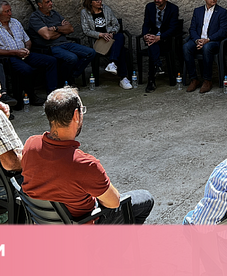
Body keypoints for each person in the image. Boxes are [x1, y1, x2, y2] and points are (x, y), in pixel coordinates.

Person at [21, 88, 154, 224]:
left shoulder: (30, 144)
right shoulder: (85, 164)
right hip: (83, 229)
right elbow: (114, 202)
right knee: (146, 199)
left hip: (44, 225)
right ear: (76, 115)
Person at [0, 0, 57, 109]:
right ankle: (31, 96)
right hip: (8, 57)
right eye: (6, 11)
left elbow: (27, 40)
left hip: (23, 53)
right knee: (26, 70)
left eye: (10, 10)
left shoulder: (15, 22)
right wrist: (15, 52)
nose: (10, 13)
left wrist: (27, 49)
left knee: (51, 61)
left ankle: (52, 94)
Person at [28, 0, 96, 85]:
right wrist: (62, 30)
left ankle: (70, 76)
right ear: (40, 4)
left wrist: (55, 29)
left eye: (51, 1)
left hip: (65, 43)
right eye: (47, 2)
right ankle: (65, 80)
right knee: (72, 58)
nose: (51, 4)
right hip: (50, 47)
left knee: (91, 52)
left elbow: (71, 29)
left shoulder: (54, 14)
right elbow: (47, 36)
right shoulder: (35, 18)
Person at [79, 0, 132, 89]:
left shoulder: (106, 9)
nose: (100, 2)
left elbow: (116, 24)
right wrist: (101, 34)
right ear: (90, 2)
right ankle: (123, 78)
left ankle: (112, 63)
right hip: (99, 41)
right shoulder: (85, 13)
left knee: (120, 37)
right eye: (96, 0)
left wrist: (111, 33)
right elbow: (86, 30)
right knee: (121, 49)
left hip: (111, 38)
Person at [183, 0, 227, 93]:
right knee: (186, 47)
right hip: (198, 40)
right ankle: (194, 79)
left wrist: (208, 40)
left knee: (207, 48)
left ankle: (207, 80)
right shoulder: (198, 11)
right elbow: (192, 28)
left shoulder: (222, 12)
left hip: (213, 42)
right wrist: (197, 41)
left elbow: (223, 31)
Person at [141, 0, 180, 93]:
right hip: (153, 38)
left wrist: (159, 37)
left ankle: (151, 80)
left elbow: (173, 28)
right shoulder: (149, 7)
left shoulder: (173, 9)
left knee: (152, 46)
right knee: (152, 44)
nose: (156, 0)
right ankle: (157, 65)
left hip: (165, 39)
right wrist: (145, 35)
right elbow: (146, 24)